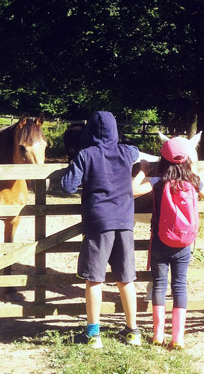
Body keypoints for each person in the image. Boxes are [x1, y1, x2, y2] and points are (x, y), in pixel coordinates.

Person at [59, 111, 142, 349]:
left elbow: (67, 186)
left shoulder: (86, 155)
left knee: (94, 279)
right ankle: (132, 330)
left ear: (90, 132)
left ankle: (93, 334)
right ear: (115, 130)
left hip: (98, 223)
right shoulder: (127, 153)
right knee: (126, 279)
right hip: (125, 222)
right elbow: (137, 152)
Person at [132, 136, 204, 349]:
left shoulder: (158, 182)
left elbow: (131, 191)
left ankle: (158, 335)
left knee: (159, 285)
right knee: (180, 287)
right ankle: (178, 338)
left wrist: (143, 170)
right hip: (185, 244)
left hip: (160, 241)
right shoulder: (194, 182)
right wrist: (193, 170)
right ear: (188, 159)